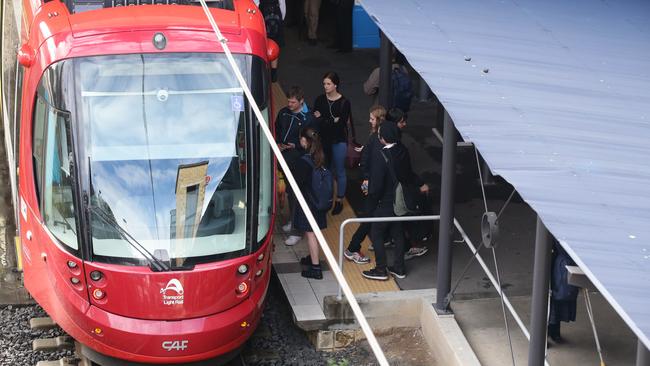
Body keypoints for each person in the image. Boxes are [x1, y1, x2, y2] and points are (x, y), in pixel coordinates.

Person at [362, 122, 423, 280]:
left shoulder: (381, 156)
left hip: (386, 200)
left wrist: (371, 196)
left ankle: (381, 269)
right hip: (400, 200)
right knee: (398, 232)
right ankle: (399, 268)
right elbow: (409, 174)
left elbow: (377, 185)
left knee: (376, 232)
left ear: (383, 138)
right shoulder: (403, 150)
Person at [344, 105, 386, 264]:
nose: (369, 121)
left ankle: (354, 247)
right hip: (375, 186)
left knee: (371, 217)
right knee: (369, 219)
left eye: (372, 118)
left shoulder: (374, 137)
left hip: (371, 184)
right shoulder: (377, 138)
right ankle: (352, 248)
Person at [275, 86, 317, 246]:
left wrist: (296, 147)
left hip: (299, 163)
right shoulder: (284, 113)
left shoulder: (309, 118)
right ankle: (293, 222)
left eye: (293, 102)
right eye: (288, 101)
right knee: (290, 193)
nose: (289, 104)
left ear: (301, 101)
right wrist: (279, 143)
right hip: (285, 158)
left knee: (298, 196)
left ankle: (297, 230)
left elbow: (313, 142)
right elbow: (277, 128)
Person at [386, 108, 430, 260]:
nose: (404, 124)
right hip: (398, 188)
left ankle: (396, 242)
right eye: (401, 122)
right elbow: (406, 172)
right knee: (405, 214)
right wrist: (419, 183)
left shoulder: (388, 143)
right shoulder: (398, 148)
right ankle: (408, 247)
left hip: (390, 187)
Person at [313, 72, 351, 215]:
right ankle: (328, 198)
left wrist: (323, 119)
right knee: (325, 169)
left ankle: (339, 200)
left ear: (336, 85)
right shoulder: (320, 100)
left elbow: (340, 124)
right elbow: (316, 120)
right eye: (324, 84)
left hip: (338, 139)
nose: (325, 86)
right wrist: (330, 120)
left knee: (340, 171)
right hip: (323, 140)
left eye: (328, 84)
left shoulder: (344, 102)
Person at [293, 128, 328, 279]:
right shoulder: (321, 156)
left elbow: (297, 182)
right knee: (315, 232)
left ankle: (315, 268)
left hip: (309, 202)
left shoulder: (304, 161)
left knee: (311, 233)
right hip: (320, 201)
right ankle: (312, 257)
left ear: (304, 141)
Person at [548, 241, 579, 343]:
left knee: (558, 300)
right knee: (551, 302)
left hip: (561, 263)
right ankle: (550, 333)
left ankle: (554, 332)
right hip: (556, 263)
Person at [256, 0, 286, 82]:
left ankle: (263, 70)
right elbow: (282, 3)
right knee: (275, 43)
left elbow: (255, 3)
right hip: (276, 12)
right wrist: (281, 18)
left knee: (261, 42)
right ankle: (273, 73)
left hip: (262, 12)